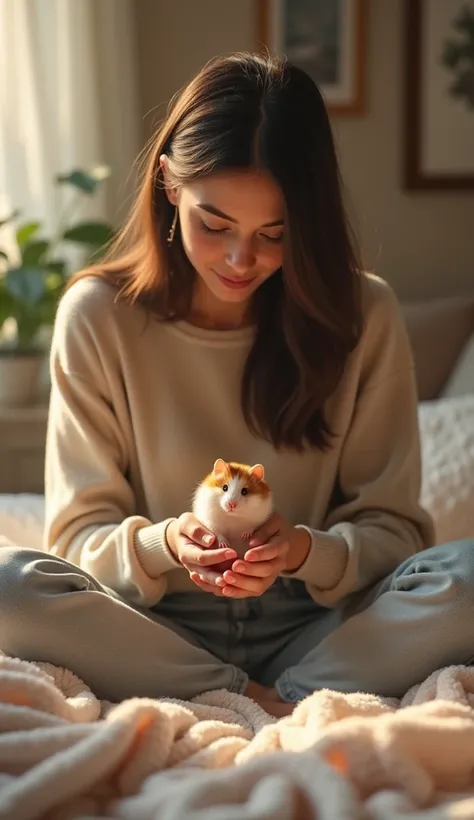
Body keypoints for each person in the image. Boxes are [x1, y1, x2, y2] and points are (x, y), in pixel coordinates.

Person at [1, 52, 473, 718]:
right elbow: (77, 538)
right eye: (214, 225)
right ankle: (250, 695)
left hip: (318, 626)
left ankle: (261, 690)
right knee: (7, 586)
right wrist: (168, 544)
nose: (240, 260)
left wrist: (304, 551)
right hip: (155, 624)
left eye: (274, 234)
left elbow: (393, 531)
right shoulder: (99, 317)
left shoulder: (364, 315)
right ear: (168, 183)